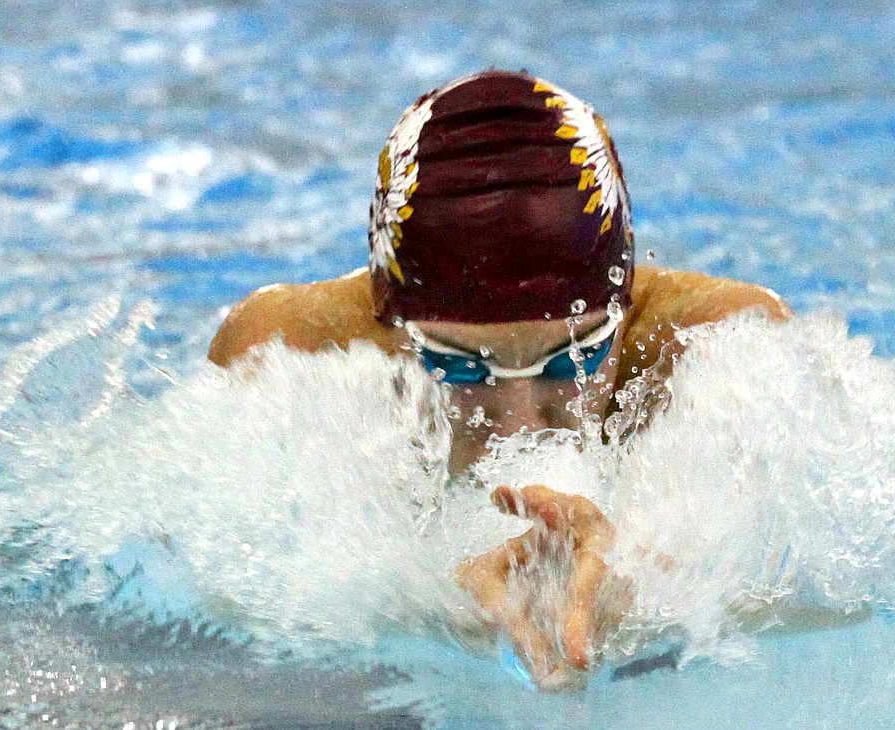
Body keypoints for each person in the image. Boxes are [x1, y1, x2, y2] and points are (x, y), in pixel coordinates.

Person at [208, 70, 790, 690]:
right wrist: (441, 609)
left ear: (624, 312)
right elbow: (209, 590)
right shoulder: (294, 353)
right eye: (458, 365)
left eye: (574, 359)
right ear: (387, 323)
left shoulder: (717, 347)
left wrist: (643, 599)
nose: (518, 428)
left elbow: (829, 593)